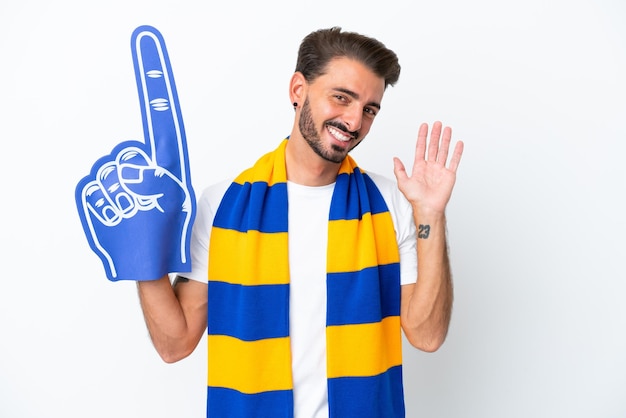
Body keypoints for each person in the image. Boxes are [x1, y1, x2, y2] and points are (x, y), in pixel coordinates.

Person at [136, 26, 463, 418]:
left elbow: (426, 335)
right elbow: (175, 344)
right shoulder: (222, 205)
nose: (354, 121)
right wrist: (143, 256)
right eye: (342, 97)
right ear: (298, 90)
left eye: (369, 109)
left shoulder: (390, 204)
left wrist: (430, 215)